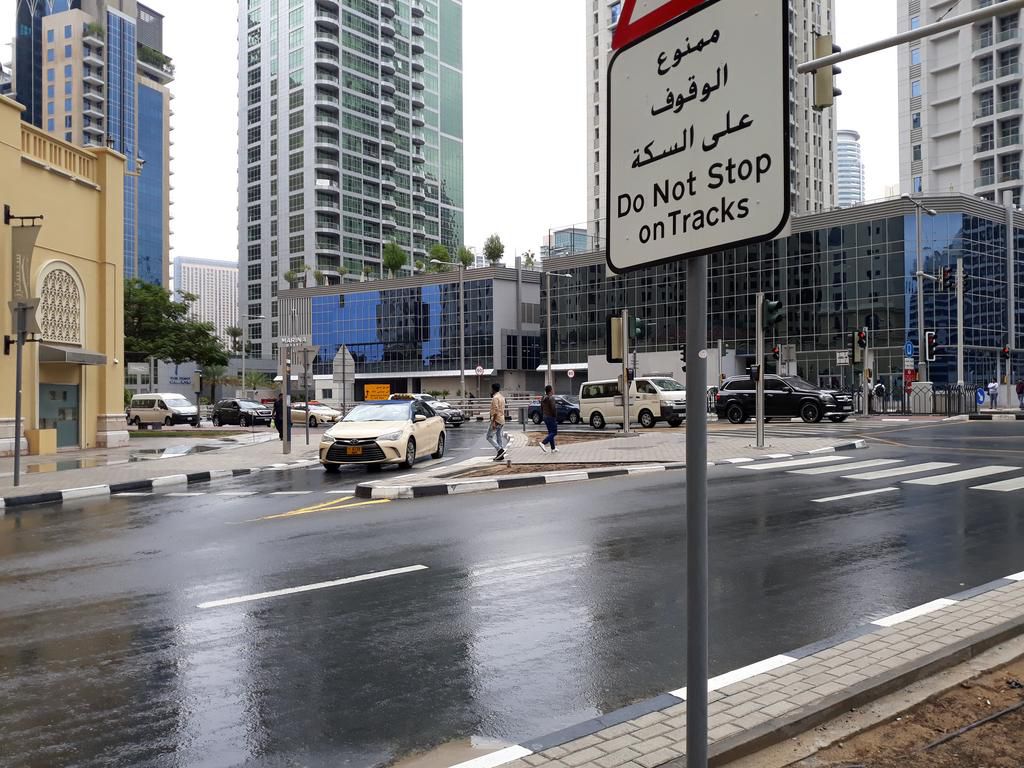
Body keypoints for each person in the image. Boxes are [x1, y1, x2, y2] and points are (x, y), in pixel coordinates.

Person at [487, 382, 507, 460]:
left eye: (491, 389)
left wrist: (493, 422)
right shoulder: (502, 397)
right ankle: (500, 455)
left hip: (497, 420)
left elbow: (495, 411)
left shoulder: (495, 398)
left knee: (489, 436)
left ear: (493, 389)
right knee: (499, 437)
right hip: (502, 419)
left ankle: (499, 449)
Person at [539, 384, 559, 454]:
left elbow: (541, 407)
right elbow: (553, 408)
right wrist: (555, 416)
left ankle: (553, 448)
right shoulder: (551, 398)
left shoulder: (543, 398)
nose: (553, 390)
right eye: (552, 389)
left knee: (551, 432)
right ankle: (543, 443)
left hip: (545, 416)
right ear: (550, 390)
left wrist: (543, 415)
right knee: (554, 432)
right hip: (550, 417)